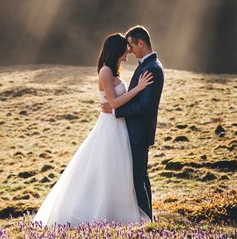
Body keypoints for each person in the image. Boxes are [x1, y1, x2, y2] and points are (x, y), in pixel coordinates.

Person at [33, 33, 153, 227]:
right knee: (106, 169)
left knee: (120, 170)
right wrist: (138, 89)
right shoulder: (105, 71)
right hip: (109, 127)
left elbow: (115, 104)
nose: (128, 52)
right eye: (125, 49)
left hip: (119, 125)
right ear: (116, 50)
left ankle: (118, 213)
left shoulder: (114, 71)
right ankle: (98, 213)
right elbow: (113, 102)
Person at [102, 25, 164, 219]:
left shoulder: (152, 68)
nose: (129, 50)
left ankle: (145, 219)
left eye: (131, 46)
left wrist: (116, 110)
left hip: (139, 132)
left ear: (141, 43)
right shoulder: (147, 65)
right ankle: (146, 217)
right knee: (140, 177)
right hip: (134, 131)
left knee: (138, 178)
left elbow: (145, 106)